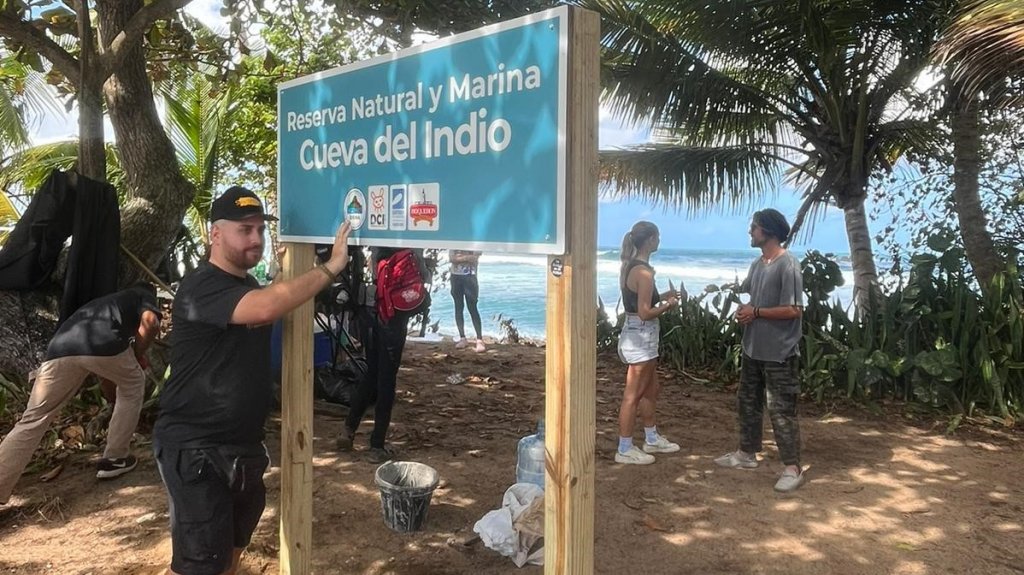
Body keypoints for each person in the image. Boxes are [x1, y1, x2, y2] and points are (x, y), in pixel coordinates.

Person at [152, 186, 351, 575]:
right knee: (199, 565)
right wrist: (331, 267)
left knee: (230, 551)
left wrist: (280, 275)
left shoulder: (243, 287)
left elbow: (262, 310)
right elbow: (267, 306)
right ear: (215, 234)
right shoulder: (201, 286)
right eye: (245, 229)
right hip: (197, 450)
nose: (256, 238)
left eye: (261, 229)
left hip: (241, 449)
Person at [0, 282, 161, 504]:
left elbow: (106, 373)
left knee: (33, 418)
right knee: (134, 384)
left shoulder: (105, 308)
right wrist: (137, 353)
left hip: (59, 349)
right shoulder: (143, 293)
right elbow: (151, 323)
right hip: (103, 345)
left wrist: (115, 400)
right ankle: (115, 458)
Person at [714, 208, 806, 493]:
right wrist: (744, 311)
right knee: (748, 402)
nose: (749, 232)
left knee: (781, 410)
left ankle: (792, 468)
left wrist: (755, 311)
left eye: (753, 227)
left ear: (767, 230)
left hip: (780, 351)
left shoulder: (788, 264)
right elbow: (752, 300)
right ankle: (746, 453)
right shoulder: (758, 264)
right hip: (754, 348)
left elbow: (794, 309)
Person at [336, 247, 429, 463]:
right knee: (387, 381)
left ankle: (348, 430)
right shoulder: (410, 245)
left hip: (372, 312)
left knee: (372, 374)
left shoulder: (378, 247)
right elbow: (423, 277)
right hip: (394, 318)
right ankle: (377, 444)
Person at [614, 221, 681, 465]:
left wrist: (662, 297)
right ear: (650, 240)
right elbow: (644, 311)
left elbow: (637, 301)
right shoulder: (644, 272)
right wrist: (668, 305)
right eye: (658, 236)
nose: (659, 240)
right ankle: (624, 447)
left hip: (636, 333)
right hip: (641, 335)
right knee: (632, 394)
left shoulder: (632, 267)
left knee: (650, 389)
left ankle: (651, 438)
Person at [449, 249, 485, 352]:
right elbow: (452, 259)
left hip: (470, 276)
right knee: (458, 307)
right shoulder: (455, 242)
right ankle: (462, 338)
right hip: (455, 277)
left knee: (472, 308)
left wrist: (460, 257)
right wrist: (466, 257)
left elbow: (474, 258)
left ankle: (479, 339)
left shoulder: (473, 242)